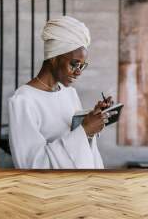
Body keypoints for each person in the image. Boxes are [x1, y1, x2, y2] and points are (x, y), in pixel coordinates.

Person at [8, 16, 112, 169]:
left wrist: (92, 123)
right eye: (74, 64)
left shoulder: (69, 93)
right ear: (53, 58)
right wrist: (84, 131)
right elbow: (31, 164)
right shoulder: (23, 101)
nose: (78, 72)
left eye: (82, 66)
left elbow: (80, 145)